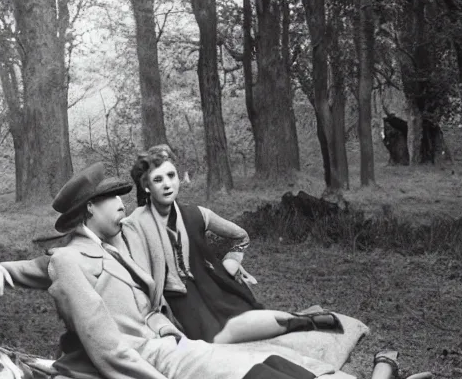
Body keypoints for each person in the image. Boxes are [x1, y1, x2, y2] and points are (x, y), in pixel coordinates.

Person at [0, 163, 421, 379]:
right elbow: (107, 345)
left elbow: (30, 268)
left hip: (165, 341)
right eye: (112, 197)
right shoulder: (70, 260)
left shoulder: (107, 245)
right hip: (145, 356)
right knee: (221, 366)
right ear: (89, 209)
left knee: (245, 358)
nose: (122, 203)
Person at [125, 145, 342, 344]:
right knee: (215, 340)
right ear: (146, 187)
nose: (167, 184)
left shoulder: (197, 214)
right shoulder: (135, 224)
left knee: (239, 319)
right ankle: (302, 320)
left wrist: (231, 261)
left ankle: (302, 321)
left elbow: (241, 237)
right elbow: (137, 273)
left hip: (211, 284)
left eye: (171, 176)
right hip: (175, 297)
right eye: (158, 179)